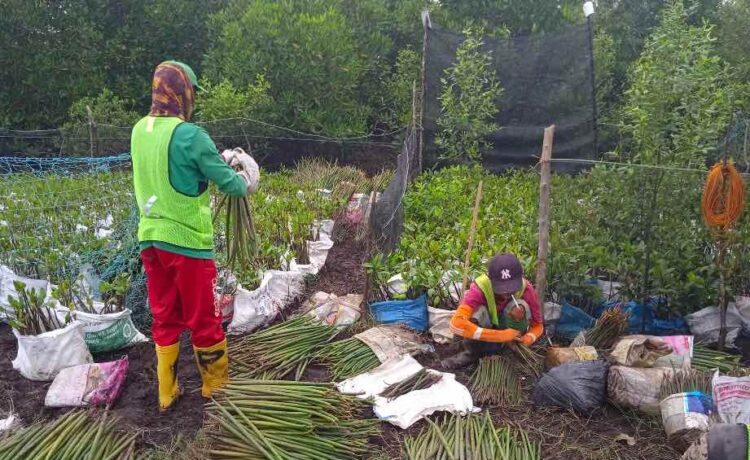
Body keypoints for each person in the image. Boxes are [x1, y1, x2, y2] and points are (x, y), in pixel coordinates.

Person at [131, 61, 259, 411]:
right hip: (187, 245)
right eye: (193, 91)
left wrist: (212, 160)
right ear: (183, 91)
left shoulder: (139, 130)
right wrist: (246, 175)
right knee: (203, 318)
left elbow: (178, 167)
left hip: (151, 240)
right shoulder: (191, 134)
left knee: (164, 315)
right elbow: (231, 184)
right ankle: (215, 390)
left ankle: (166, 392)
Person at [444, 252, 544, 368]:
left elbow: (538, 326)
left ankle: (510, 351)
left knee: (521, 306)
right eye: (501, 288)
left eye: (512, 288)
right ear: (491, 280)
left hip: (511, 335)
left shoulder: (526, 288)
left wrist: (527, 339)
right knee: (478, 312)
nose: (507, 293)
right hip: (486, 331)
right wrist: (501, 336)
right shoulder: (481, 287)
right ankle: (471, 354)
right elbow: (456, 324)